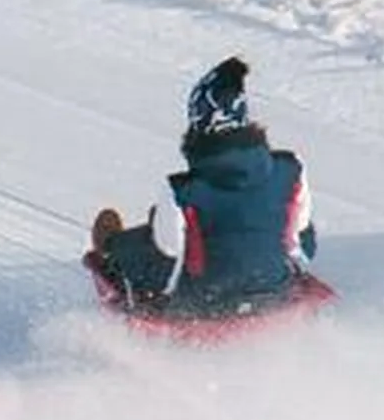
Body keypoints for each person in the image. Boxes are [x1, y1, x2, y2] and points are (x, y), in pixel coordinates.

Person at [87, 57, 317, 316]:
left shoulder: (180, 191)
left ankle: (112, 248)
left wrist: (118, 255)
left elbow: (165, 266)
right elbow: (304, 246)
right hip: (275, 294)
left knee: (150, 247)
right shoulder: (291, 168)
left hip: (205, 307)